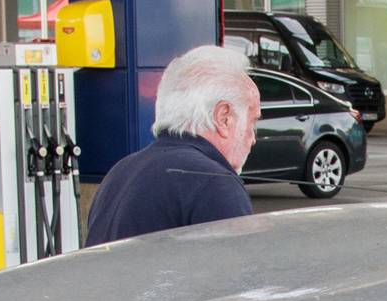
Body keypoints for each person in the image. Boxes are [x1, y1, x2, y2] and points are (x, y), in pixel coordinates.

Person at [82, 45, 259, 246]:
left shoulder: (121, 171)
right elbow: (238, 263)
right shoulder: (214, 182)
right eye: (252, 121)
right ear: (224, 117)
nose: (253, 137)